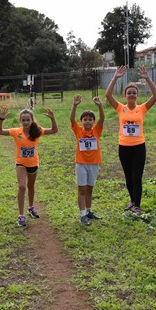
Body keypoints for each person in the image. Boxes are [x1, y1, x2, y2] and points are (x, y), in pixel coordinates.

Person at [105, 65, 156, 215]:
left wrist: (147, 78)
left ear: (137, 95)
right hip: (123, 147)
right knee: (128, 176)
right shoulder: (120, 108)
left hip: (138, 147)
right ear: (125, 95)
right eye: (129, 92)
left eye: (134, 93)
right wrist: (115, 77)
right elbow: (108, 95)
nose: (131, 95)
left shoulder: (142, 108)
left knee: (137, 176)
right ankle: (132, 201)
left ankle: (138, 206)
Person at [0, 106, 58, 227]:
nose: (25, 122)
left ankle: (31, 207)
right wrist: (1, 119)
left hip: (33, 163)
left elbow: (54, 130)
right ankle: (21, 215)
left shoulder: (37, 131)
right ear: (20, 121)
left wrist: (52, 118)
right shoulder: (16, 132)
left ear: (32, 120)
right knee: (22, 187)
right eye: (23, 120)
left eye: (27, 120)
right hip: (20, 163)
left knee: (31, 186)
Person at [70, 94, 104, 225]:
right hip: (81, 164)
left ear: (93, 122)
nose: (88, 121)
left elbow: (102, 118)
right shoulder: (78, 131)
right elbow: (72, 119)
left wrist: (100, 105)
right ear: (82, 121)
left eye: (90, 119)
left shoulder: (96, 131)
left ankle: (89, 211)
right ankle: (83, 214)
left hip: (94, 164)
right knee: (82, 189)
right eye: (85, 119)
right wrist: (75, 105)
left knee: (90, 188)